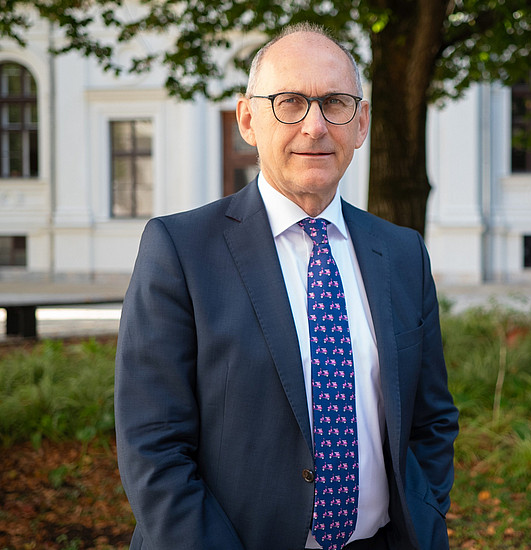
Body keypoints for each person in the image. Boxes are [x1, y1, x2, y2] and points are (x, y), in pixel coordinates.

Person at [114, 23, 459, 550]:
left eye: (336, 103)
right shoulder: (180, 250)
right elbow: (153, 446)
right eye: (290, 102)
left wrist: (427, 512)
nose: (315, 126)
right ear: (248, 119)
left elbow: (431, 420)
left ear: (361, 122)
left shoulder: (401, 253)